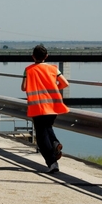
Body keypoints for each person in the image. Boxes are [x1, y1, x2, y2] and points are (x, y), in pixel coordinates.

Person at [21, 45, 69, 173]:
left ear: (33, 56)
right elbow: (65, 83)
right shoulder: (53, 68)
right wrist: (52, 88)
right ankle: (55, 143)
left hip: (38, 107)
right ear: (46, 56)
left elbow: (24, 87)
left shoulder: (28, 69)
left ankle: (52, 163)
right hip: (53, 106)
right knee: (47, 128)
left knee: (41, 138)